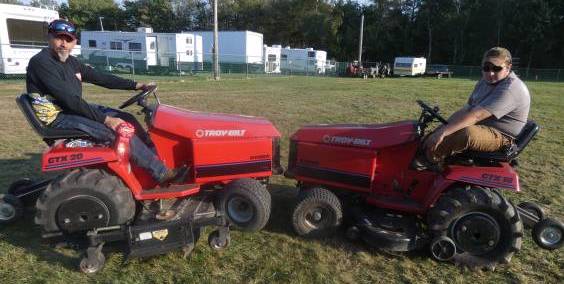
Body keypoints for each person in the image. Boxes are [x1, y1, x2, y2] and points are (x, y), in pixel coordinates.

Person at [26, 19, 186, 185]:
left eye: (68, 39)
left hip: (71, 109)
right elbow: (69, 100)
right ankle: (160, 173)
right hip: (58, 117)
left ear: (75, 42)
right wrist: (107, 120)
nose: (63, 44)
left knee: (127, 118)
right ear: (49, 38)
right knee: (118, 130)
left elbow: (101, 78)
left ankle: (155, 163)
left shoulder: (71, 62)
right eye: (59, 38)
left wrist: (136, 85)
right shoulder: (41, 62)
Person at [420, 47, 530, 168]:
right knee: (444, 129)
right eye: (486, 68)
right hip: (483, 126)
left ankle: (426, 160)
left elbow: (476, 115)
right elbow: (466, 110)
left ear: (508, 68)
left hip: (502, 137)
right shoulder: (484, 82)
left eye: (496, 68)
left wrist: (443, 133)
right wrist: (441, 129)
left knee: (467, 133)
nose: (490, 73)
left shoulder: (510, 89)